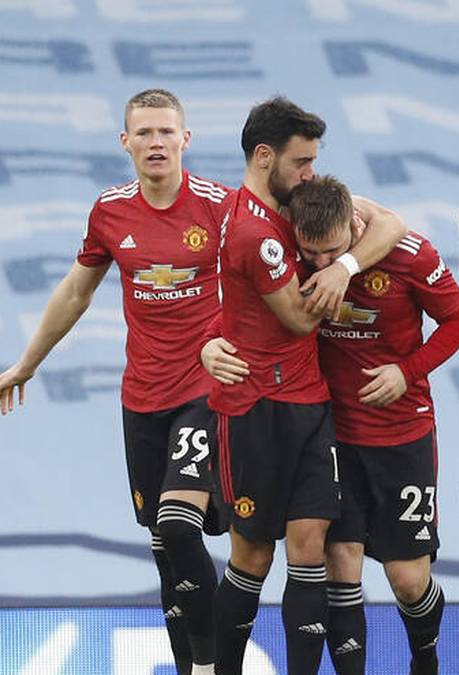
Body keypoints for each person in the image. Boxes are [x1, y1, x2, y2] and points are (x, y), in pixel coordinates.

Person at [0, 89, 229, 675]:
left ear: (186, 139)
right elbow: (76, 292)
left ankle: (212, 666)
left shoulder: (220, 207)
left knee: (178, 527)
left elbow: (264, 278)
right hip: (142, 399)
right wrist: (27, 363)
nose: (156, 143)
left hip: (204, 392)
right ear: (125, 143)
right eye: (144, 133)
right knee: (163, 546)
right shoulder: (109, 211)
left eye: (166, 132)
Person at [206, 97, 406, 675]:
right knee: (252, 555)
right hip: (253, 408)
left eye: (314, 161)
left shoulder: (302, 204)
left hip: (310, 405)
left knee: (311, 545)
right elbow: (298, 317)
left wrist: (344, 265)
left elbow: (392, 223)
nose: (310, 173)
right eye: (301, 162)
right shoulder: (253, 230)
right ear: (264, 156)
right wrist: (209, 340)